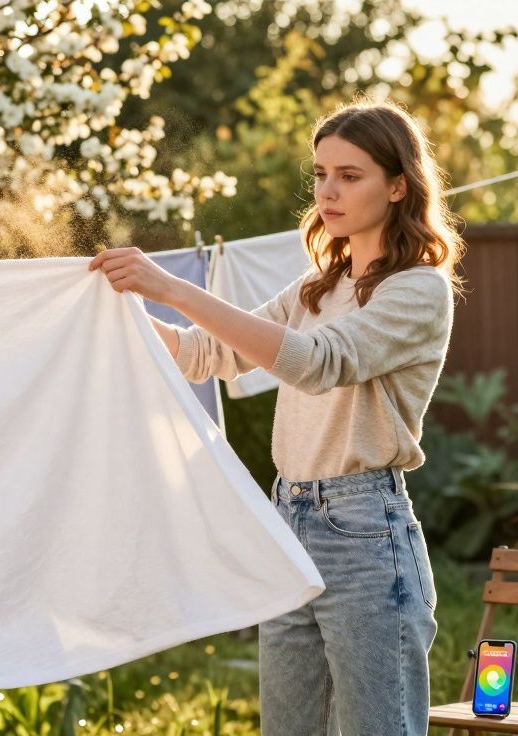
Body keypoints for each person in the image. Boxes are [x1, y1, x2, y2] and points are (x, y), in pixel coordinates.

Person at [89, 99, 464, 735]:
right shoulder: (318, 285)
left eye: (350, 175)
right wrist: (110, 316)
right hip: (287, 520)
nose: (328, 191)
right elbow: (209, 354)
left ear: (398, 185)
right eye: (320, 174)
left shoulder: (418, 289)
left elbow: (315, 363)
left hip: (366, 535)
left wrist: (173, 287)